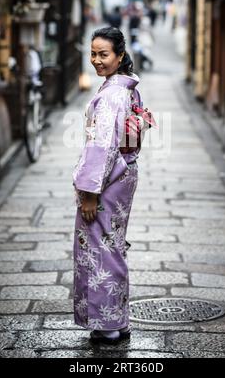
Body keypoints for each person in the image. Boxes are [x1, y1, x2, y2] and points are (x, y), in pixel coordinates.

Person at [72, 27, 144, 344]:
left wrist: (89, 194)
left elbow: (100, 147)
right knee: (112, 245)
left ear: (119, 56)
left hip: (107, 181)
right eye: (93, 53)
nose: (97, 60)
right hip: (122, 176)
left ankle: (109, 324)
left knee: (102, 248)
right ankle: (118, 320)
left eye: (104, 54)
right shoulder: (125, 88)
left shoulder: (113, 94)